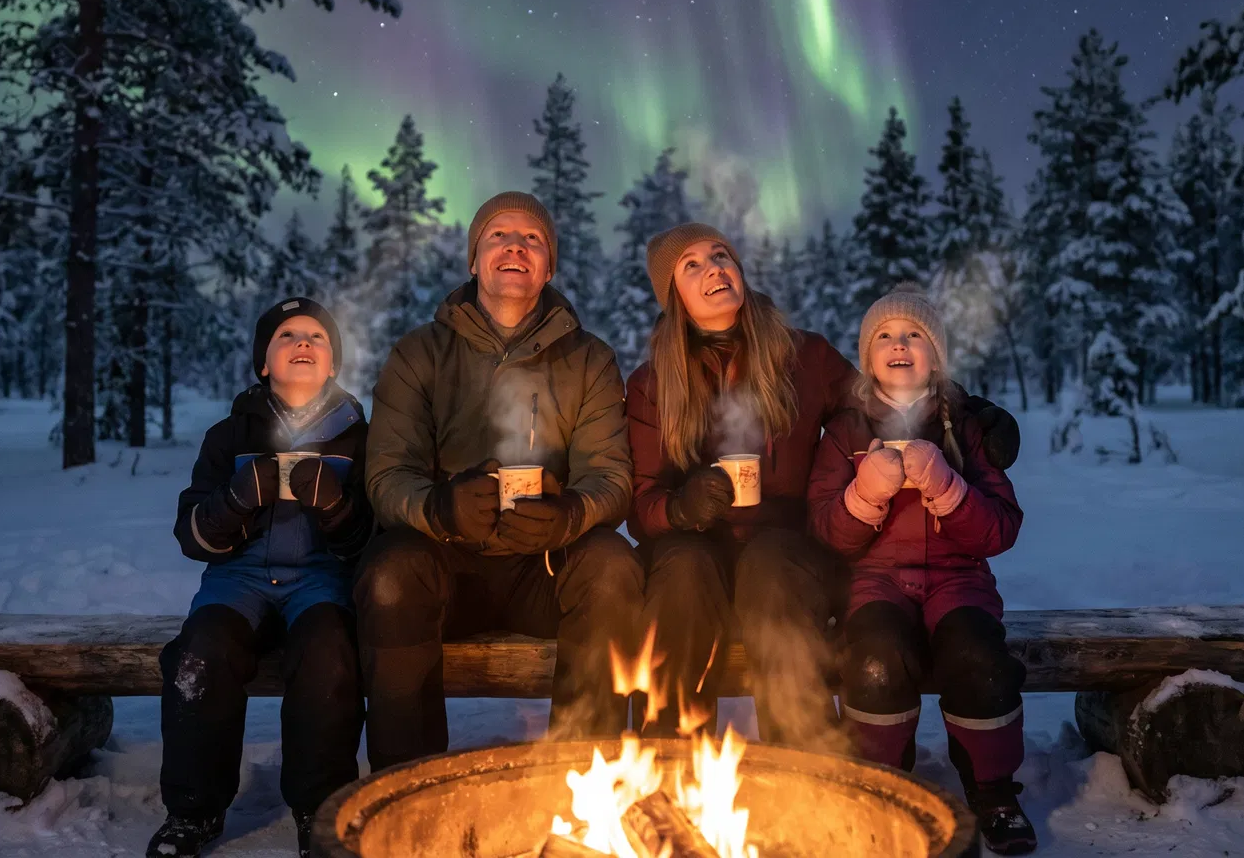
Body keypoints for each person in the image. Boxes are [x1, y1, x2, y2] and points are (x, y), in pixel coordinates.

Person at [355, 191, 642, 769]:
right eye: (498, 236)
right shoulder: (419, 354)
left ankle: (585, 775)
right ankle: (408, 781)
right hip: (444, 560)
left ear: (549, 266)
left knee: (613, 568)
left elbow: (609, 475)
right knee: (389, 575)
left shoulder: (589, 359)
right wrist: (440, 509)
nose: (515, 246)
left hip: (543, 566)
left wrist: (570, 515)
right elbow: (387, 474)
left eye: (532, 238)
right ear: (473, 260)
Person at [807, 287, 1035, 855]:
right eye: (884, 336)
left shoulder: (969, 427)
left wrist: (948, 487)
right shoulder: (846, 432)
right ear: (867, 357)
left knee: (978, 657)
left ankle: (993, 789)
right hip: (875, 583)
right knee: (875, 659)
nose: (899, 344)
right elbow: (827, 531)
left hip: (960, 581)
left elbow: (1001, 529)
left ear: (936, 357)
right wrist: (864, 495)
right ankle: (880, 783)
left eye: (914, 335)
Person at [150, 298, 372, 858]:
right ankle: (193, 811)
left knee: (330, 655)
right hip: (238, 582)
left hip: (321, 582)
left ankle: (321, 809)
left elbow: (370, 540)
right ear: (264, 362)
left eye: (317, 337)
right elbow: (191, 536)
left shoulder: (359, 438)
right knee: (199, 654)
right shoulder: (228, 436)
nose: (303, 343)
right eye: (287, 336)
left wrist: (338, 508)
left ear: (333, 363)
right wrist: (235, 499)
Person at [626, 222, 858, 749]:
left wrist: (960, 413)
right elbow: (641, 504)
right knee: (682, 569)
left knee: (771, 567)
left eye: (720, 255)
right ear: (674, 295)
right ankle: (668, 757)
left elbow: (878, 409)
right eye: (691, 265)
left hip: (786, 551)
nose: (713, 268)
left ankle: (807, 762)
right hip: (694, 546)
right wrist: (680, 509)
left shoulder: (804, 357)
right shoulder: (652, 384)